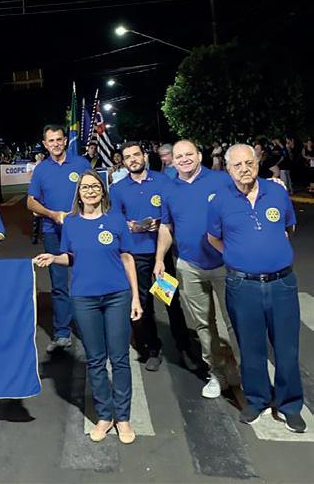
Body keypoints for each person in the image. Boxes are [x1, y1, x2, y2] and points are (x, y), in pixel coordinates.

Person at [34, 169, 142, 444]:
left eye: (95, 186)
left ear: (103, 191)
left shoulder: (116, 219)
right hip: (84, 299)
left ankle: (123, 418)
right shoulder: (71, 223)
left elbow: (127, 258)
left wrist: (135, 297)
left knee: (119, 359)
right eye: (85, 187)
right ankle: (105, 416)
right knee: (95, 359)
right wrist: (53, 258)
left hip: (117, 296)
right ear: (79, 194)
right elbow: (71, 257)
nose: (91, 191)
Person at [207, 144, 306, 433]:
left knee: (287, 348)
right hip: (243, 285)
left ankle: (289, 405)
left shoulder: (276, 192)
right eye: (237, 165)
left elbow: (289, 228)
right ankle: (257, 399)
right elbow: (214, 238)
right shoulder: (219, 201)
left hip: (281, 284)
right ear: (228, 169)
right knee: (251, 348)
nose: (244, 169)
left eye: (249, 163)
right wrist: (238, 256)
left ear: (257, 162)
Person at [154, 140, 240, 399]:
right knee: (203, 324)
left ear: (199, 155)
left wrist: (274, 184)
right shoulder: (169, 190)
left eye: (189, 154)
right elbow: (166, 227)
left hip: (226, 263)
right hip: (190, 265)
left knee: (235, 321)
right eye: (179, 156)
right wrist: (159, 259)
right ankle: (216, 372)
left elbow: (249, 196)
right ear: (172, 160)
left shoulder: (221, 180)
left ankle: (242, 369)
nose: (184, 159)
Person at [110, 142, 196, 372]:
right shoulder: (118, 189)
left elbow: (175, 209)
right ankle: (152, 350)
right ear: (123, 161)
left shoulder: (162, 181)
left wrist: (161, 223)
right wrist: (129, 226)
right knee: (144, 304)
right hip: (136, 256)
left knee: (170, 301)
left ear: (144, 157)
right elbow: (115, 221)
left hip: (161, 254)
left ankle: (184, 348)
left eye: (136, 155)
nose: (133, 159)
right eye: (128, 157)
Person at [27, 125, 91, 352]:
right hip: (52, 232)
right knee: (59, 283)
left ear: (65, 141)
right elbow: (31, 202)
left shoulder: (81, 164)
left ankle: (89, 329)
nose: (55, 144)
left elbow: (96, 190)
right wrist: (52, 214)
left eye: (58, 139)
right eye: (51, 141)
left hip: (82, 231)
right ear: (45, 144)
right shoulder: (41, 170)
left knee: (86, 279)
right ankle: (62, 333)